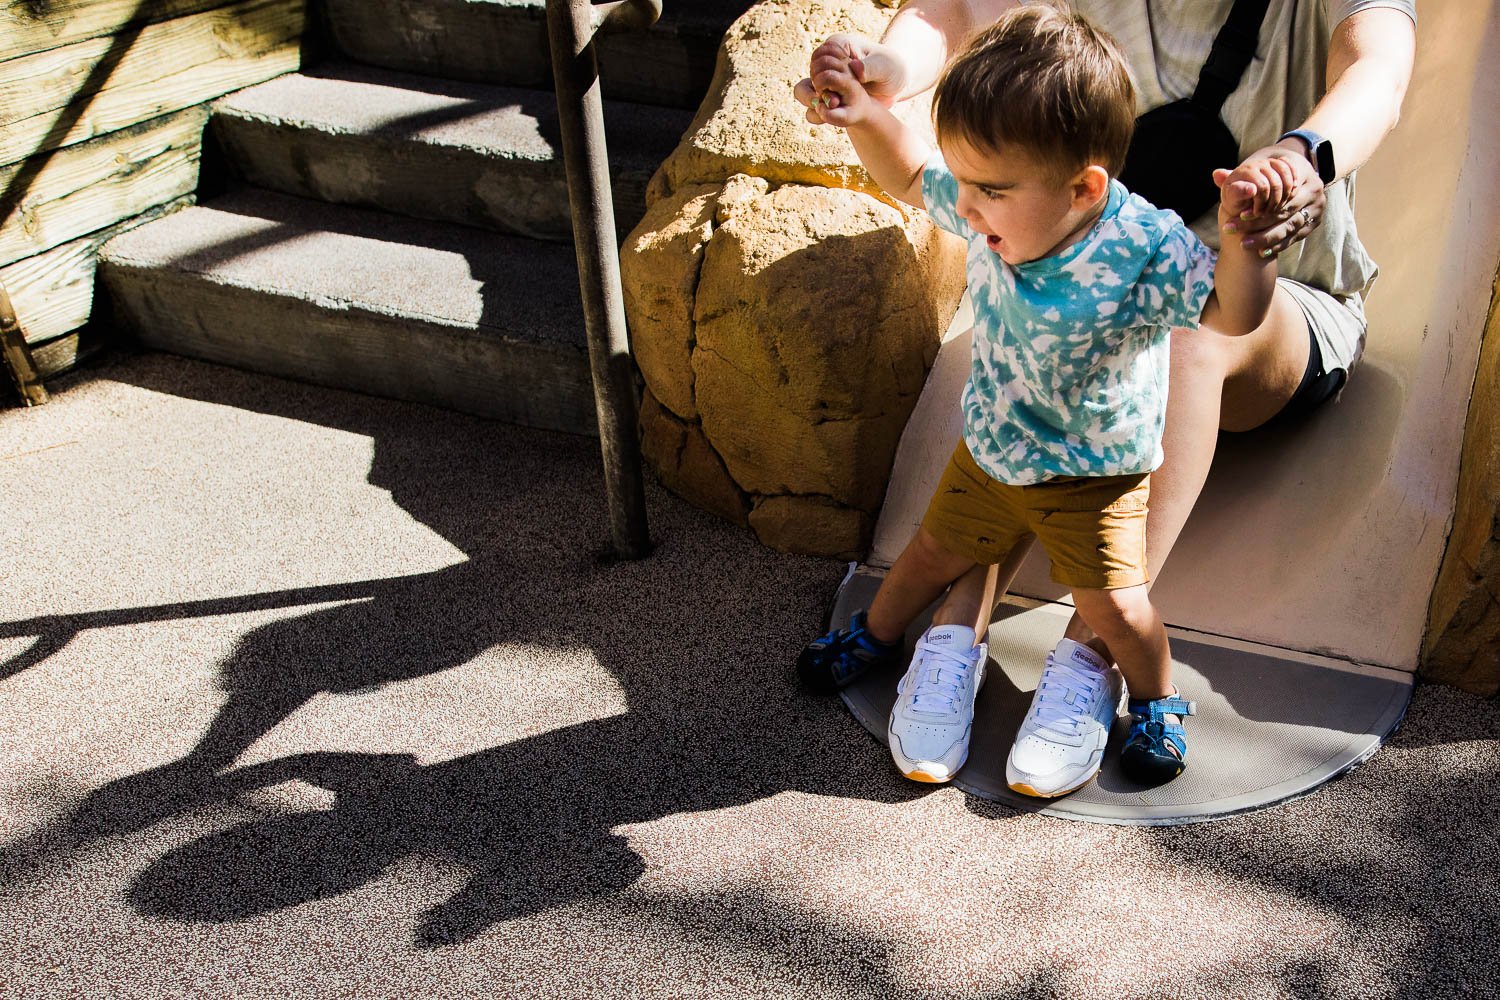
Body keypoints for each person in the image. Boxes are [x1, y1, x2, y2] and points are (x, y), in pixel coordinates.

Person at [793, 0, 1415, 787]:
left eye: (988, 192)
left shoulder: (1142, 247)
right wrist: (864, 106)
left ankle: (1139, 689)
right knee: (927, 551)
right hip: (1001, 442)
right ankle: (897, 638)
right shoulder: (994, 201)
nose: (967, 207)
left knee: (1118, 605)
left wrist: (1251, 239)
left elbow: (1231, 313)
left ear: (1085, 187)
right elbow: (920, 163)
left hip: (1099, 461)